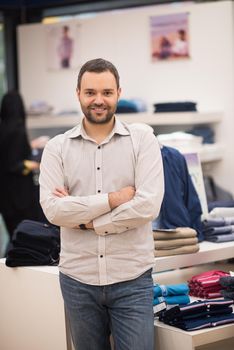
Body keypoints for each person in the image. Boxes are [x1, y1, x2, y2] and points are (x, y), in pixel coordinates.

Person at [39, 58, 164, 350]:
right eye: (90, 92)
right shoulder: (57, 148)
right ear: (78, 94)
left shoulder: (142, 140)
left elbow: (148, 205)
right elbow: (54, 210)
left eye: (107, 92)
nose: (99, 100)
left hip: (132, 279)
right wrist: (115, 199)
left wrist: (87, 220)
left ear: (119, 93)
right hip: (77, 281)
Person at [0, 91, 41, 238]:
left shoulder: (3, 128)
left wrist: (30, 145)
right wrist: (39, 165)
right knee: (27, 237)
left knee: (14, 236)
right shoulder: (18, 130)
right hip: (20, 196)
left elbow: (8, 155)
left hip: (5, 195)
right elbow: (16, 165)